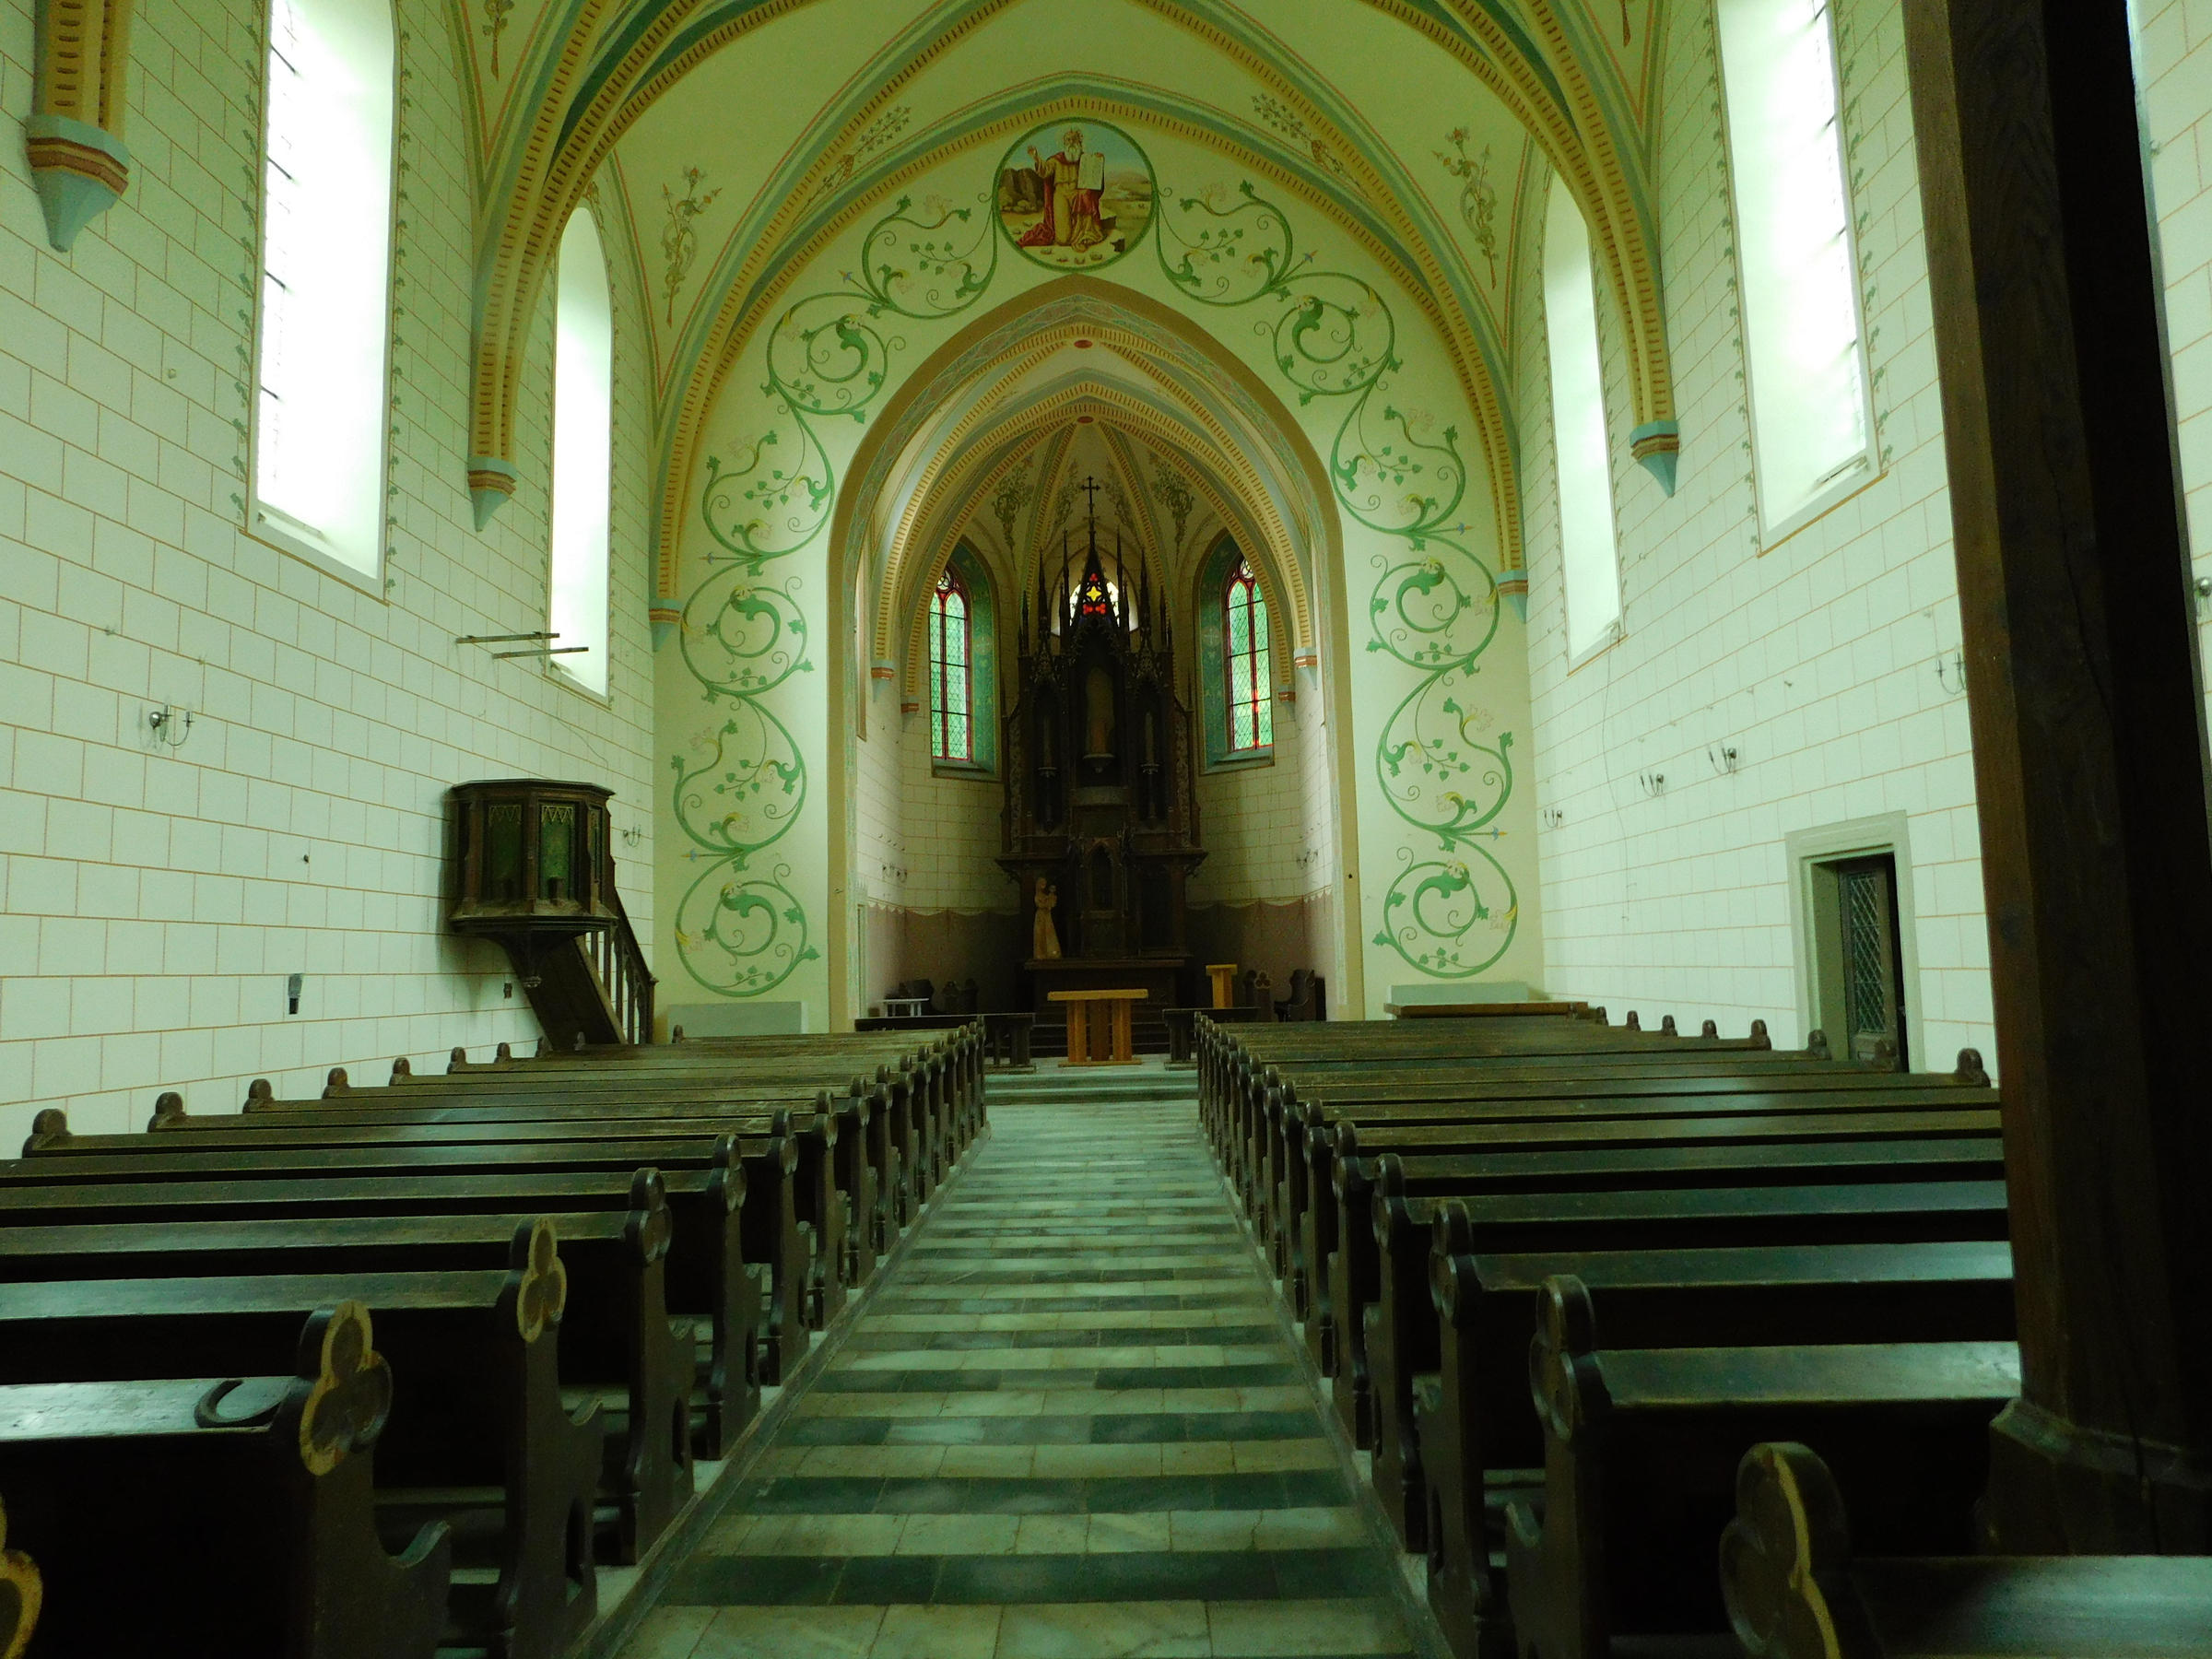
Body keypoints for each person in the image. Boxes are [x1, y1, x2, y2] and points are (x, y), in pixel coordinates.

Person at [1018, 128, 1105, 253]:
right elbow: (1045, 171)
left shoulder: (1085, 159)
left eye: (1074, 139)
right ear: (1064, 142)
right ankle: (1073, 235)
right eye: (1068, 140)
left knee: (1086, 195)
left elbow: (1094, 179)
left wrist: (1097, 160)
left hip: (1078, 195)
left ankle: (1083, 236)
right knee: (1062, 240)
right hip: (1061, 195)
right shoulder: (1056, 160)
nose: (1071, 142)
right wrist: (1036, 158)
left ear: (1079, 141)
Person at [1032, 877, 1062, 959]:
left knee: (1048, 932)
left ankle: (1051, 952)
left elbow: (1050, 903)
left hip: (1046, 916)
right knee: (1040, 933)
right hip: (1041, 917)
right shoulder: (1038, 896)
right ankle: (1041, 953)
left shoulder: (1045, 896)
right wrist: (1047, 904)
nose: (1043, 886)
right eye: (1042, 884)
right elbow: (1040, 904)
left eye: (1044, 884)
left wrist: (1051, 896)